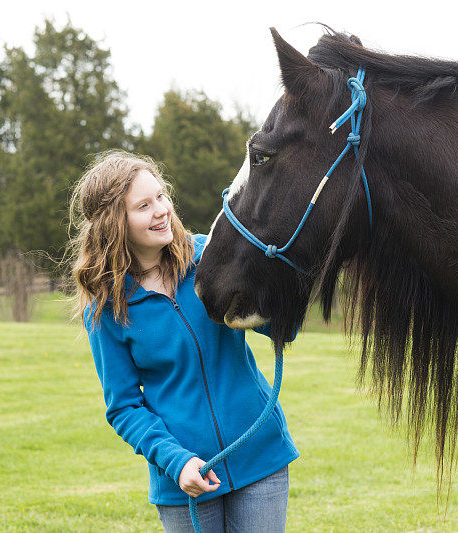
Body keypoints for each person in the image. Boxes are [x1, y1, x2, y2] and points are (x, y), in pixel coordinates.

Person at [68, 149, 299, 532]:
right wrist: (175, 461)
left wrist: (284, 292)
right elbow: (123, 406)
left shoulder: (210, 257)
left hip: (259, 456)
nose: (161, 210)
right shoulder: (106, 309)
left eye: (161, 197)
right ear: (115, 223)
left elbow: (275, 327)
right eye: (143, 205)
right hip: (185, 479)